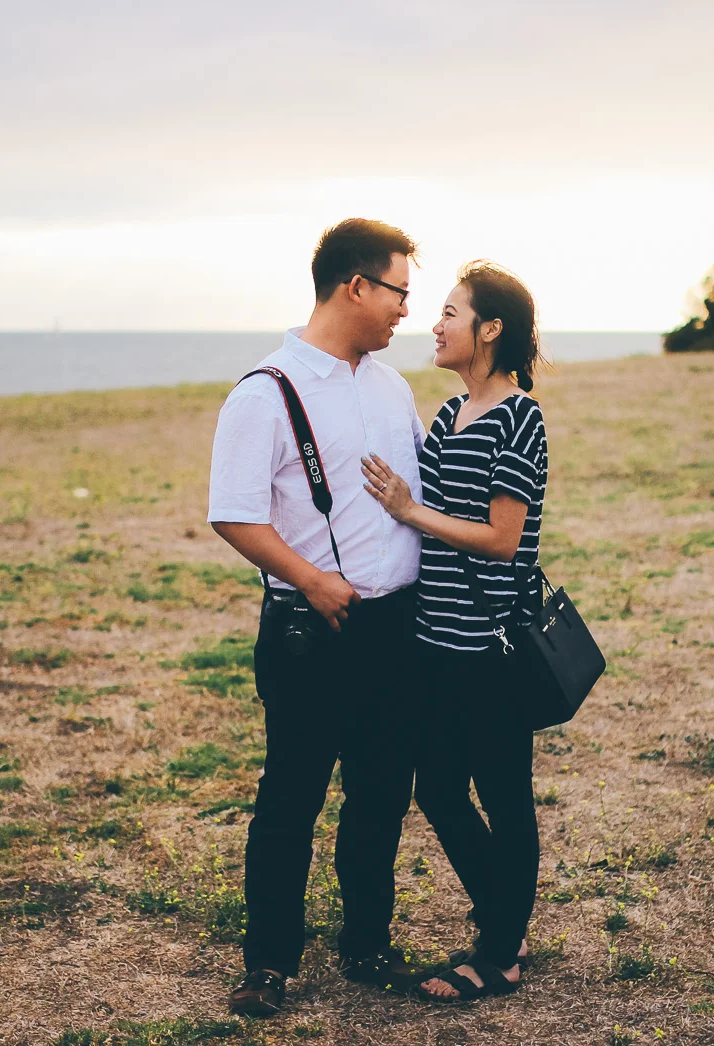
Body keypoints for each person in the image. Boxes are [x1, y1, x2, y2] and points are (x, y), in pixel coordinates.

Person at [208, 219, 428, 1017]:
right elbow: (233, 514)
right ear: (357, 286)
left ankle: (367, 945)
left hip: (396, 630)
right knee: (291, 799)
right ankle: (268, 963)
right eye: (400, 289)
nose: (409, 308)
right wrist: (312, 579)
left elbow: (413, 501)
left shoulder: (392, 386)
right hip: (312, 631)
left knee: (379, 796)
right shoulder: (265, 391)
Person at [361, 260, 548, 1002]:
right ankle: (507, 920)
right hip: (433, 645)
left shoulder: (519, 418)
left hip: (490, 651)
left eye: (449, 312)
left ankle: (499, 955)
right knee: (437, 789)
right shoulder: (446, 414)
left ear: (490, 329)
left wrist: (409, 511)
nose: (433, 325)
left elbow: (503, 537)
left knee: (506, 799)